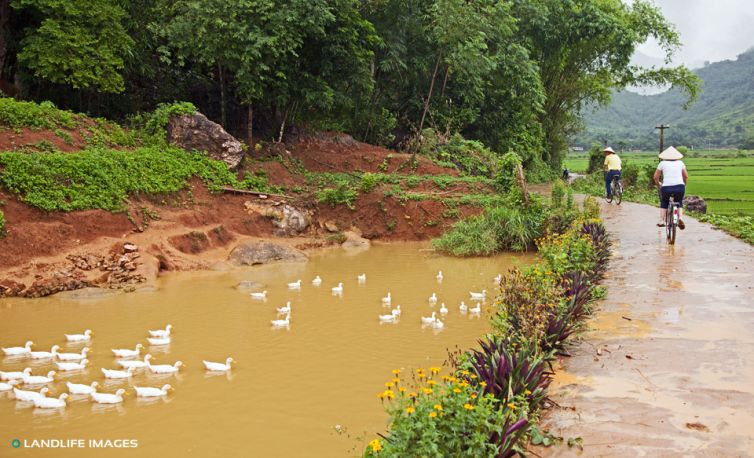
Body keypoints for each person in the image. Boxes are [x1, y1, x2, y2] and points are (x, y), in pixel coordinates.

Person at [654, 146, 688, 229]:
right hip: (680, 187)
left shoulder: (662, 163)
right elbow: (686, 177)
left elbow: (655, 177)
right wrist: (684, 185)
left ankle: (662, 220)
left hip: (666, 188)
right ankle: (680, 218)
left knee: (665, 201)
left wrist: (659, 184)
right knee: (679, 201)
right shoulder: (681, 163)